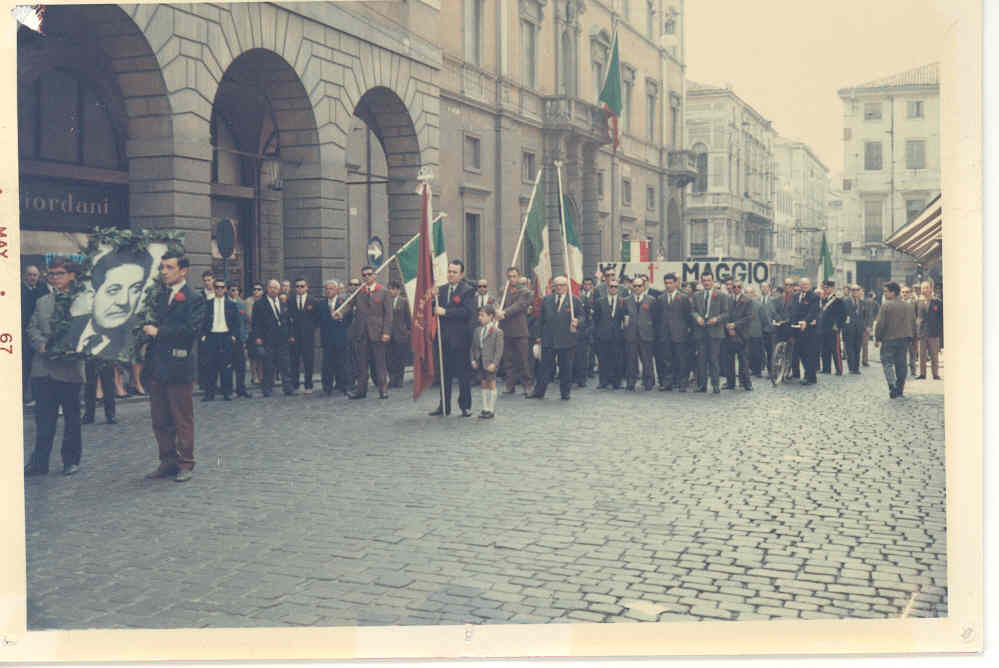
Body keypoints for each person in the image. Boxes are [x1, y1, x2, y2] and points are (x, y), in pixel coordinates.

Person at [141, 251, 206, 482]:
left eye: (169, 267)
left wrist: (159, 332)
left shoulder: (194, 298)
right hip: (157, 366)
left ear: (183, 271)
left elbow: (190, 331)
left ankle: (186, 462)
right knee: (160, 419)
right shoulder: (160, 296)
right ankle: (167, 460)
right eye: (162, 267)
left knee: (181, 418)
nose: (164, 272)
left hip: (178, 367)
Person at [24, 258, 86, 476]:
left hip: (69, 370)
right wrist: (40, 344)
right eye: (51, 274)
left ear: (71, 275)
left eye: (60, 273)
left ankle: (71, 460)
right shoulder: (42, 301)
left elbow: (87, 331)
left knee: (71, 418)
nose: (55, 277)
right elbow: (31, 328)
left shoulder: (82, 301)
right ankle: (39, 462)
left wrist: (73, 347)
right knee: (44, 420)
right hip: (43, 369)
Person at [67, 249, 154, 359]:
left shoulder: (139, 340)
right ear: (91, 298)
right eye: (113, 290)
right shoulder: (67, 327)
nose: (124, 301)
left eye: (135, 289)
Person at [430, 260, 475, 416]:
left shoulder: (467, 290)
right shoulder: (441, 290)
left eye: (454, 272)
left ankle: (465, 406)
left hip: (460, 339)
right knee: (444, 375)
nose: (451, 274)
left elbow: (467, 312)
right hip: (443, 338)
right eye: (449, 271)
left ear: (461, 274)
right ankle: (444, 406)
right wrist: (432, 299)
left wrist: (446, 312)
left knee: (463, 375)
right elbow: (434, 310)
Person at [528, 276, 583, 400]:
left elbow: (582, 316)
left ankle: (565, 392)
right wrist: (538, 336)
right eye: (556, 285)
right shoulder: (547, 300)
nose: (559, 287)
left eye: (561, 285)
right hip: (549, 339)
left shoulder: (574, 300)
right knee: (544, 368)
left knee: (566, 368)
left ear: (566, 286)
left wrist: (577, 322)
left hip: (566, 340)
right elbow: (540, 319)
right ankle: (539, 391)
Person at [347, 266, 393, 400]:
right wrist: (340, 313)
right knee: (361, 364)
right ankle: (361, 391)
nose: (366, 277)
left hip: (377, 333)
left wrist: (386, 332)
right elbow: (349, 305)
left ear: (374, 276)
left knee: (380, 363)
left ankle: (383, 390)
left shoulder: (383, 292)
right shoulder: (359, 292)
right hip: (361, 333)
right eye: (364, 275)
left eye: (369, 274)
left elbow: (388, 314)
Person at [252, 279, 295, 397]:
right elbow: (255, 323)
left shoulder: (283, 302)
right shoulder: (259, 304)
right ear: (267, 289)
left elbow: (289, 320)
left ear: (279, 289)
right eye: (271, 287)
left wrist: (291, 335)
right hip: (267, 338)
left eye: (276, 288)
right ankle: (267, 389)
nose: (273, 290)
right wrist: (258, 338)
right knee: (268, 365)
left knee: (285, 365)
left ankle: (288, 388)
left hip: (283, 339)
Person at [874, 281, 917, 398]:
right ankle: (900, 389)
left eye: (886, 291)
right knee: (901, 365)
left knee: (887, 363)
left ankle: (892, 385)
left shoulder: (886, 305)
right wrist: (914, 339)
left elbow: (880, 324)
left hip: (889, 339)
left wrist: (877, 338)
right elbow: (913, 323)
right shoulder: (908, 306)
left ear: (893, 292)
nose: (884, 293)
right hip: (904, 339)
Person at [200, 278, 240, 401]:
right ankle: (209, 394)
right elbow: (202, 321)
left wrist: (233, 336)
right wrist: (203, 336)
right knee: (210, 366)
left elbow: (236, 322)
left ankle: (227, 392)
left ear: (225, 289)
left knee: (226, 366)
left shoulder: (231, 305)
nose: (219, 289)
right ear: (214, 288)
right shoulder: (208, 304)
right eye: (217, 287)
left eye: (222, 287)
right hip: (211, 336)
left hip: (225, 336)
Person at [497, 267, 534, 396]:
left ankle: (527, 385)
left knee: (523, 359)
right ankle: (510, 385)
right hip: (505, 329)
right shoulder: (503, 290)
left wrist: (504, 312)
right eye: (509, 276)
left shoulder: (525, 291)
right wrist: (496, 309)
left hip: (519, 330)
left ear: (518, 277)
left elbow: (519, 305)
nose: (512, 279)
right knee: (508, 360)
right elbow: (498, 303)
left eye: (514, 276)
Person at [691, 271, 728, 394]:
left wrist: (716, 319)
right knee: (701, 360)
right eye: (704, 280)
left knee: (713, 359)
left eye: (708, 280)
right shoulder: (697, 295)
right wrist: (697, 317)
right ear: (701, 281)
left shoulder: (721, 295)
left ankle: (715, 384)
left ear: (713, 281)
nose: (706, 283)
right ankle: (702, 385)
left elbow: (726, 313)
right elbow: (692, 310)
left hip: (715, 331)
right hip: (701, 331)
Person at [655, 273, 691, 392]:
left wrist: (686, 331)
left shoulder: (683, 298)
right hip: (665, 334)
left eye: (670, 283)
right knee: (667, 359)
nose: (668, 285)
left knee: (681, 359)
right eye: (666, 283)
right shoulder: (660, 298)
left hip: (680, 334)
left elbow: (688, 316)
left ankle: (682, 383)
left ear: (676, 283)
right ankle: (668, 382)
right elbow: (658, 317)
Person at [319, 280, 354, 395]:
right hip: (327, 338)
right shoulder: (321, 304)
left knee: (343, 363)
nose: (328, 291)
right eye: (327, 289)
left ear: (337, 290)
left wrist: (341, 319)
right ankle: (327, 387)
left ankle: (344, 386)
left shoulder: (343, 303)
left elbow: (349, 318)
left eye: (331, 289)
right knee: (327, 365)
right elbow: (319, 320)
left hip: (341, 338)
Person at [21, 264, 49, 406]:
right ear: (24, 276)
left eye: (35, 275)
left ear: (38, 277)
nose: (32, 277)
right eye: (30, 274)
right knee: (25, 366)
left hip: (37, 333)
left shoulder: (41, 289)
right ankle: (24, 396)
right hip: (23, 333)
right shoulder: (20, 290)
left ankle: (38, 396)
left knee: (38, 366)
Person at [470, 303, 504, 419]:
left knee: (491, 384)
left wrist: (494, 363)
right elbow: (473, 347)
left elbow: (499, 351)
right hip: (480, 362)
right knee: (483, 384)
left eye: (482, 315)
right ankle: (485, 408)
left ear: (490, 316)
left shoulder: (497, 332)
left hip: (490, 363)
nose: (479, 318)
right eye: (479, 315)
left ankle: (491, 409)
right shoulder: (477, 330)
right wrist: (473, 360)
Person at [622, 277, 655, 391]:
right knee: (631, 360)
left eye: (639, 286)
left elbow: (655, 318)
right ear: (632, 286)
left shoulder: (651, 300)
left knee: (647, 360)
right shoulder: (626, 300)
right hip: (631, 334)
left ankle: (648, 382)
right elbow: (623, 316)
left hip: (646, 334)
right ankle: (631, 382)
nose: (637, 288)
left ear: (644, 286)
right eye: (635, 286)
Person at [287, 277, 319, 394]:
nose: (300, 288)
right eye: (297, 286)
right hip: (294, 336)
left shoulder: (313, 301)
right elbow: (288, 319)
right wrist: (290, 334)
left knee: (308, 361)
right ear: (294, 288)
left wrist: (311, 329)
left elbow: (316, 318)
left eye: (302, 286)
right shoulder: (290, 301)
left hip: (308, 336)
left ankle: (308, 385)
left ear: (306, 287)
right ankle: (295, 385)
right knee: (294, 361)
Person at [592, 279, 625, 389]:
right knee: (603, 359)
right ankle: (603, 381)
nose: (613, 288)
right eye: (611, 286)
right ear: (607, 288)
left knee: (617, 359)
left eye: (615, 286)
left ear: (618, 288)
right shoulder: (600, 301)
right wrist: (597, 333)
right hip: (603, 335)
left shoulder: (622, 301)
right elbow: (596, 319)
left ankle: (617, 382)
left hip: (617, 335)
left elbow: (624, 318)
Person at [723, 281, 753, 391]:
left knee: (743, 360)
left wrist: (735, 325)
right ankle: (730, 383)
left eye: (738, 287)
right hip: (729, 334)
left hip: (741, 334)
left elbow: (749, 317)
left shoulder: (748, 300)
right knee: (729, 360)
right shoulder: (728, 299)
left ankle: (746, 383)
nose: (736, 289)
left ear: (742, 287)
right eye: (734, 287)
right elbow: (725, 314)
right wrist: (728, 326)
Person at [790, 277, 820, 386]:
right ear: (799, 285)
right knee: (800, 353)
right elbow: (793, 311)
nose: (804, 286)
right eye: (802, 284)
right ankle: (808, 375)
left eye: (806, 284)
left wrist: (805, 321)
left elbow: (813, 311)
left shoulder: (814, 297)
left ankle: (810, 377)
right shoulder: (796, 296)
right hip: (797, 328)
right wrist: (791, 321)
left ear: (810, 285)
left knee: (809, 353)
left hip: (808, 329)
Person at [227, 282, 253, 397]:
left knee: (241, 366)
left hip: (240, 339)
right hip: (228, 338)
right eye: (232, 290)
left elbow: (245, 322)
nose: (235, 292)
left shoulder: (242, 304)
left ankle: (241, 389)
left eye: (237, 290)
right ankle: (227, 389)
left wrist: (245, 336)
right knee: (227, 365)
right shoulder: (225, 303)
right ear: (228, 291)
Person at [915, 281, 943, 380]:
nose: (924, 290)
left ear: (931, 289)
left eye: (926, 288)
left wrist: (940, 333)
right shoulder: (918, 302)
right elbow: (915, 317)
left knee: (934, 355)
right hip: (921, 333)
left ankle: (935, 374)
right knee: (921, 355)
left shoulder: (938, 302)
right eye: (923, 288)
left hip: (933, 333)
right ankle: (922, 374)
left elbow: (941, 318)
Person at [818, 280, 846, 375]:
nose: (826, 289)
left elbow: (843, 314)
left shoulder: (838, 300)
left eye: (828, 288)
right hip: (824, 328)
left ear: (832, 288)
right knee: (825, 349)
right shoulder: (823, 300)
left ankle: (839, 369)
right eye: (825, 288)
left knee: (835, 350)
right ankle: (826, 368)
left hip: (833, 328)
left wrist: (838, 325)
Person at [387, 280, 411, 388]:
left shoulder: (404, 301)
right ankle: (392, 378)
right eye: (389, 289)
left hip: (400, 334)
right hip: (389, 333)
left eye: (393, 289)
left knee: (400, 357)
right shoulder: (387, 301)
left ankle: (399, 378)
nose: (390, 291)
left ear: (398, 290)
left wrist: (408, 330)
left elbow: (408, 317)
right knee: (389, 358)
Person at [575, 277, 597, 384]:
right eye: (585, 284)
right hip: (575, 330)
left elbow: (589, 315)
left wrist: (589, 328)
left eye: (589, 284)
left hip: (585, 329)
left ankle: (585, 374)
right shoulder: (577, 296)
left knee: (585, 354)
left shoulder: (588, 298)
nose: (587, 286)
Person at [842, 284, 865, 375]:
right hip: (849, 328)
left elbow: (864, 315)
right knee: (850, 348)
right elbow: (842, 315)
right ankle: (851, 367)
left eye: (857, 290)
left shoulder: (862, 302)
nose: (855, 292)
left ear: (860, 291)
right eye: (853, 290)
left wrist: (865, 326)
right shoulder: (845, 301)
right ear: (850, 291)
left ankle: (856, 368)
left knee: (858, 348)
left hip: (859, 328)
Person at [247, 282, 265, 385]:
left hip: (263, 332)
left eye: (259, 289)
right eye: (255, 289)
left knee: (262, 355)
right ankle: (254, 376)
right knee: (253, 355)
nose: (256, 291)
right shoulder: (248, 302)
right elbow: (248, 317)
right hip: (251, 332)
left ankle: (261, 375)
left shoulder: (265, 301)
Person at [861, 289, 879, 367]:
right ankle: (865, 360)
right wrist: (870, 324)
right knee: (865, 344)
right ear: (873, 296)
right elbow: (874, 314)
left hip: (861, 325)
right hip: (867, 325)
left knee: (859, 344)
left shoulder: (863, 302)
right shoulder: (874, 303)